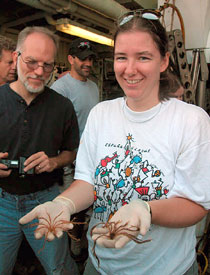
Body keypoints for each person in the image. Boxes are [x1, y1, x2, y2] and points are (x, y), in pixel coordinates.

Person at [19, 10, 210, 275]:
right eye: (121, 58)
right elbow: (88, 182)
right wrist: (64, 204)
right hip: (100, 264)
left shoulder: (191, 120)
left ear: (164, 61)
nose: (129, 69)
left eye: (143, 57)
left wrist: (146, 209)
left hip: (166, 268)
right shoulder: (102, 114)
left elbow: (196, 205)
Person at [0, 26, 79, 274]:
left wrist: (54, 162)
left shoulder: (62, 107)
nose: (39, 72)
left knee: (59, 268)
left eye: (47, 65)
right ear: (16, 56)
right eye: (32, 62)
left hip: (46, 201)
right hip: (2, 203)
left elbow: (73, 152)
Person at [51, 38, 99, 260]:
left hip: (90, 159)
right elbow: (54, 129)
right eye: (82, 59)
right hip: (69, 161)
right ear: (71, 59)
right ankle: (64, 253)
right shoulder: (60, 88)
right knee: (68, 208)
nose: (87, 63)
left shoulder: (93, 87)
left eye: (90, 58)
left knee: (85, 208)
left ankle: (78, 250)